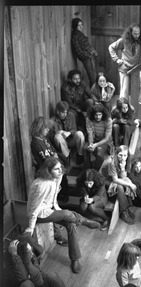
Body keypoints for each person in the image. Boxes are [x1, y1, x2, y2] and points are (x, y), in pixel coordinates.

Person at [24, 157, 102, 274]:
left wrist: (57, 208)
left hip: (50, 210)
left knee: (71, 225)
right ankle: (84, 221)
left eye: (60, 168)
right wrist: (30, 226)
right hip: (40, 214)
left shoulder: (55, 178)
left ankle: (74, 259)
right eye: (56, 169)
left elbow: (53, 199)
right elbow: (34, 209)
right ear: (48, 170)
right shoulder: (42, 184)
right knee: (66, 213)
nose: (60, 171)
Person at [30, 117, 69, 245]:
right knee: (50, 204)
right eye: (45, 128)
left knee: (54, 202)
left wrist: (55, 159)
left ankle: (57, 227)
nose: (47, 130)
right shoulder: (36, 142)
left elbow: (54, 154)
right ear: (39, 128)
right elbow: (49, 160)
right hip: (47, 176)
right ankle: (57, 235)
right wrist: (54, 159)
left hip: (53, 174)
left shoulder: (44, 139)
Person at [6, 233, 70, 287]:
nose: (32, 253)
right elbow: (23, 278)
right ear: (22, 254)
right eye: (29, 251)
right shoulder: (15, 264)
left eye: (31, 250)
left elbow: (40, 250)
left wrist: (28, 237)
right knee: (26, 285)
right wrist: (14, 255)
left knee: (53, 276)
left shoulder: (30, 258)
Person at [107, 145, 136, 225]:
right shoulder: (112, 162)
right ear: (116, 154)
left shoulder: (126, 161)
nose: (122, 158)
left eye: (125, 155)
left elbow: (123, 177)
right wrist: (129, 185)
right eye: (120, 155)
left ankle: (127, 208)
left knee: (127, 184)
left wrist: (123, 168)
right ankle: (124, 212)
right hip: (106, 180)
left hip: (118, 177)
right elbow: (115, 180)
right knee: (120, 187)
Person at [50, 101, 85, 165]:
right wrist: (59, 133)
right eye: (63, 112)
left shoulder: (71, 115)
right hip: (62, 144)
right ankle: (67, 157)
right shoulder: (53, 120)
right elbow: (51, 137)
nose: (65, 114)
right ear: (58, 112)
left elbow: (75, 129)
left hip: (71, 140)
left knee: (80, 133)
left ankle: (80, 155)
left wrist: (69, 133)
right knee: (57, 136)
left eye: (66, 112)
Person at [84, 103, 114, 171]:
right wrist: (91, 144)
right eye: (96, 115)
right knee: (85, 149)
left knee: (99, 152)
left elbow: (106, 138)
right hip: (94, 140)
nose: (98, 117)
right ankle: (88, 171)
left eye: (100, 114)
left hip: (106, 142)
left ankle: (96, 172)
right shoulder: (88, 119)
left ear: (103, 114)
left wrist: (96, 145)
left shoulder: (108, 120)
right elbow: (90, 133)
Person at [71, 17, 98, 87]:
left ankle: (95, 95)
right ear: (75, 26)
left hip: (91, 57)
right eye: (78, 25)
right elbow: (78, 51)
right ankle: (93, 96)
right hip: (87, 58)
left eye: (81, 25)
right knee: (92, 78)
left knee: (95, 78)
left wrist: (93, 51)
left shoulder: (81, 34)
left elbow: (87, 46)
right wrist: (87, 55)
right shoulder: (75, 36)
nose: (81, 27)